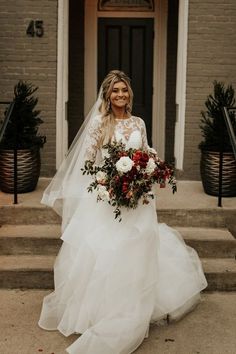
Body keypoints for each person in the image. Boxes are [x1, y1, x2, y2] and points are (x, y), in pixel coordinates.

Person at [38, 70, 207, 354]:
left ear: (129, 94)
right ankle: (106, 312)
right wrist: (107, 185)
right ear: (107, 94)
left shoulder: (138, 122)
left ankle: (136, 306)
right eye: (115, 91)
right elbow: (86, 165)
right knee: (109, 254)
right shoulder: (98, 124)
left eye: (124, 90)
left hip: (139, 200)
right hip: (108, 201)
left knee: (138, 251)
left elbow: (144, 152)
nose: (120, 95)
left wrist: (151, 170)